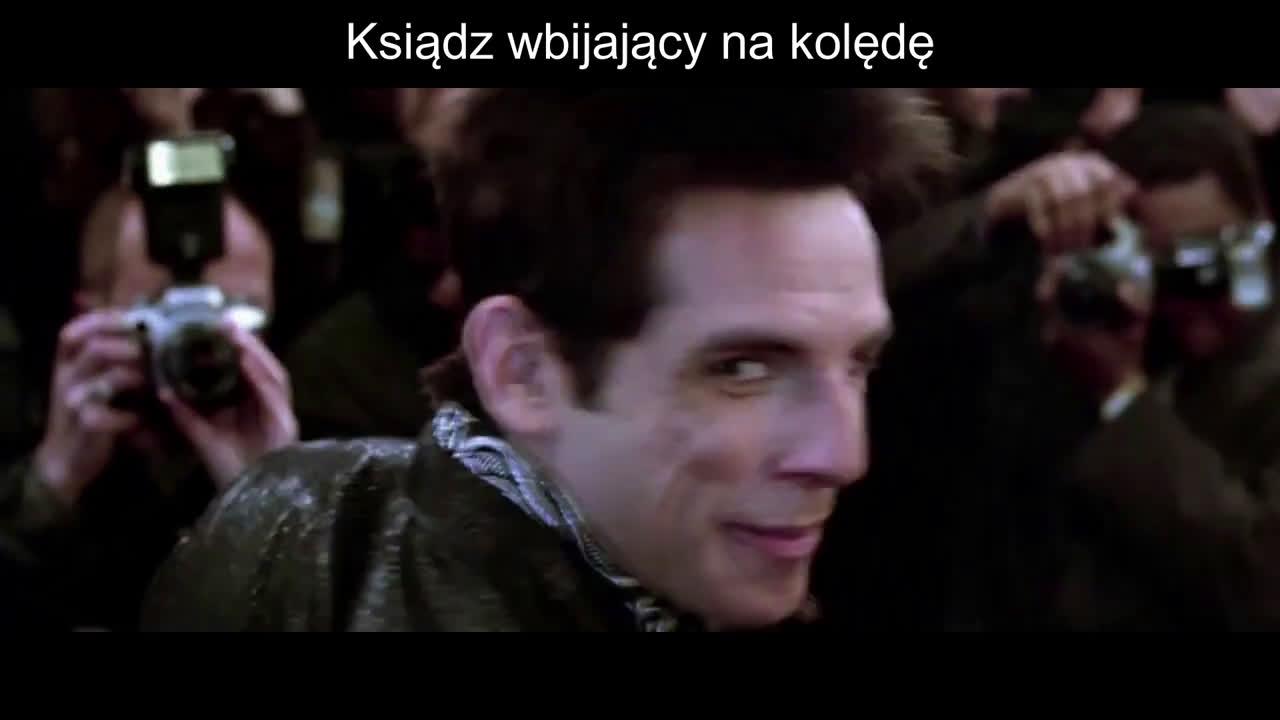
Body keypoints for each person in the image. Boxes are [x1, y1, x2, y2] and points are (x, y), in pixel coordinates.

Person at [140, 88, 950, 632]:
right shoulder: (291, 551)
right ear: (520, 370)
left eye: (858, 364)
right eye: (743, 369)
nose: (843, 454)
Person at [0, 184, 298, 631]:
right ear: (90, 318)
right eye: (171, 312)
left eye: (238, 313)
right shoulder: (22, 456)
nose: (205, 344)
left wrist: (275, 501)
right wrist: (47, 493)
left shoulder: (322, 466)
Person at [1041, 106, 1280, 630]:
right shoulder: (1096, 337)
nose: (1189, 296)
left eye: (1208, 261)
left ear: (1261, 226)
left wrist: (1123, 396)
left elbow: (1261, 580)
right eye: (1163, 271)